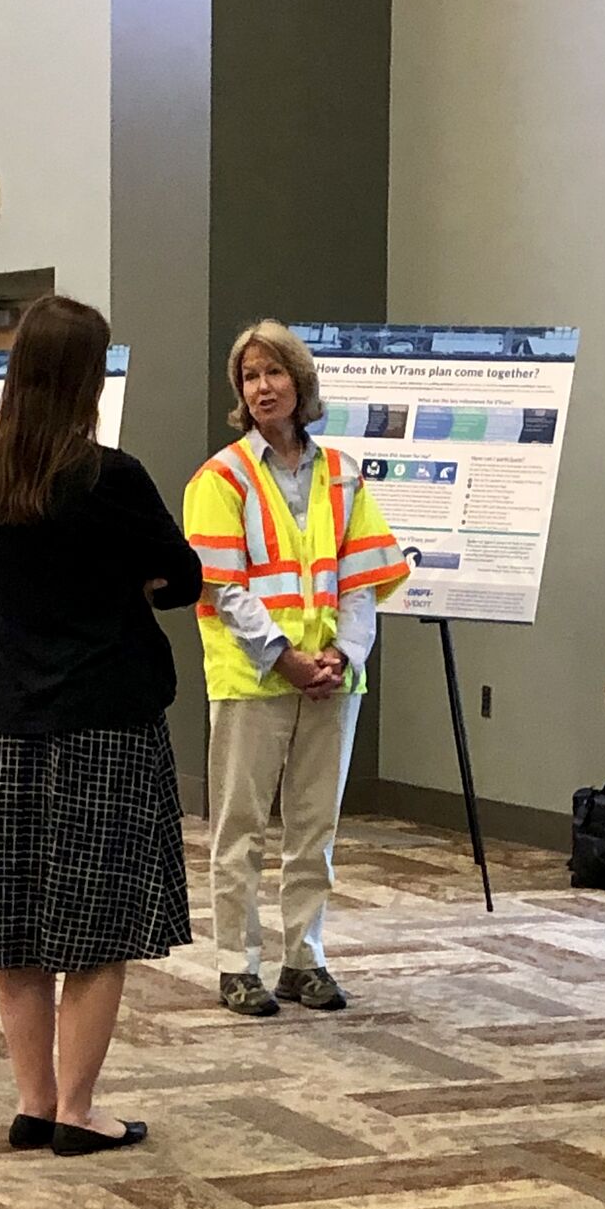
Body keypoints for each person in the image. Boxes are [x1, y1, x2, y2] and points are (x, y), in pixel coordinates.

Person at [0, 294, 199, 1156]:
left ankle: (32, 1102)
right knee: (99, 932)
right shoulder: (111, 477)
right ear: (85, 379)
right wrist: (126, 583)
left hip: (14, 719)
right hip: (105, 718)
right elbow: (181, 576)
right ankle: (78, 1110)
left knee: (18, 923)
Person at [184, 320, 409, 1017]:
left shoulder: (342, 473)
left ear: (299, 380)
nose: (262, 388)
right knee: (241, 828)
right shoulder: (221, 477)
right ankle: (236, 964)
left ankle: (303, 959)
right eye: (249, 376)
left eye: (273, 372)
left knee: (315, 828)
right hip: (253, 678)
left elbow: (363, 581)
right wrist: (286, 658)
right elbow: (222, 586)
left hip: (332, 680)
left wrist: (341, 655)